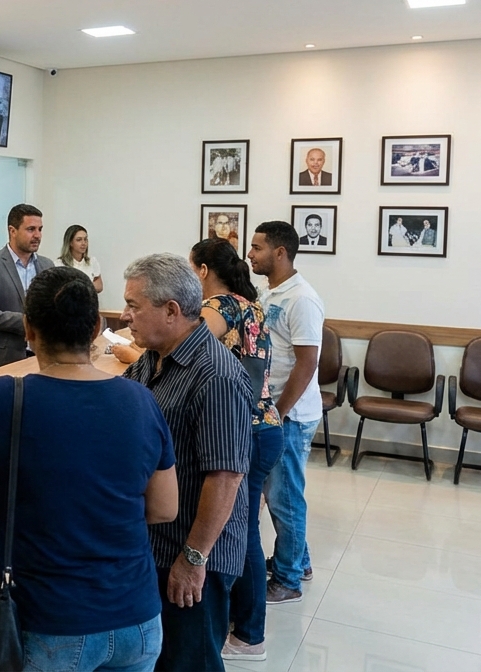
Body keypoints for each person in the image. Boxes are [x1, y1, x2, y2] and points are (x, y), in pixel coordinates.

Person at [0, 267, 179, 672]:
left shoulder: (4, 400)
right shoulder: (140, 399)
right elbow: (164, 508)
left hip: (54, 623)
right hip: (137, 617)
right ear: (97, 326)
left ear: (28, 329)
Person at [119, 254, 252, 672]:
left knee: (190, 660)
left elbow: (226, 477)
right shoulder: (153, 360)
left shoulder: (215, 375)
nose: (125, 316)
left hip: (195, 553)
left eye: (134, 306)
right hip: (157, 545)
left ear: (172, 311)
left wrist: (193, 559)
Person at [188, 239, 284, 662]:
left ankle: (249, 635)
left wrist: (132, 352)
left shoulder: (221, 305)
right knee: (244, 528)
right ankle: (242, 624)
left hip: (246, 429)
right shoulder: (252, 304)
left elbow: (188, 349)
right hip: (266, 426)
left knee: (240, 533)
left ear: (204, 270)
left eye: (192, 270)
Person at [247, 222, 326, 607]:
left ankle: (289, 579)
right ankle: (298, 561)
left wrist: (278, 412)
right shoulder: (270, 292)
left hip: (290, 416)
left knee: (285, 498)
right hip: (273, 409)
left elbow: (308, 362)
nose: (250, 253)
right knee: (280, 494)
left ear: (280, 252)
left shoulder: (302, 298)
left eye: (257, 247)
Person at [0, 203, 55, 369]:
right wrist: (24, 322)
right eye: (31, 229)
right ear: (12, 231)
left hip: (41, 357)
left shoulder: (47, 265)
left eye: (40, 229)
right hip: (1, 358)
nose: (37, 235)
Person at [59, 224, 105, 293]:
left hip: (90, 302)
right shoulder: (59, 264)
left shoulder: (92, 261)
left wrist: (77, 287)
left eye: (85, 239)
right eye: (79, 240)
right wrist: (89, 286)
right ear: (70, 243)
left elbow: (99, 286)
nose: (83, 243)